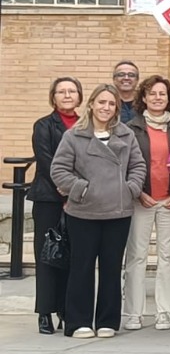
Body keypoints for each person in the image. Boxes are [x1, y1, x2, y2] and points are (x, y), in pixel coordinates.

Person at [51, 84, 145, 338]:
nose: (106, 108)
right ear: (91, 104)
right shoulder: (74, 135)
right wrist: (81, 189)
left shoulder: (126, 135)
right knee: (81, 267)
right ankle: (78, 321)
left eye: (111, 104)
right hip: (83, 212)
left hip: (118, 211)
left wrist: (130, 189)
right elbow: (58, 170)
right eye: (101, 102)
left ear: (116, 108)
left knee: (111, 267)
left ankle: (107, 321)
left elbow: (138, 166)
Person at [122, 74, 170, 331]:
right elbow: (124, 165)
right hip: (141, 200)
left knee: (168, 257)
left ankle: (164, 312)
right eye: (152, 93)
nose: (158, 98)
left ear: (169, 99)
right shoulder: (130, 128)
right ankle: (134, 313)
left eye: (162, 94)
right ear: (143, 98)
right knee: (136, 257)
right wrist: (137, 192)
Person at [30, 76, 82, 335]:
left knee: (72, 258)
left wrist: (76, 191)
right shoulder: (43, 125)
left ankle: (65, 309)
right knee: (47, 256)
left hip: (80, 201)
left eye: (72, 91)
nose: (67, 95)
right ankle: (45, 312)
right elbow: (46, 161)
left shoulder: (87, 125)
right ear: (53, 97)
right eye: (61, 91)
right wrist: (66, 189)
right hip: (49, 199)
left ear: (80, 96)